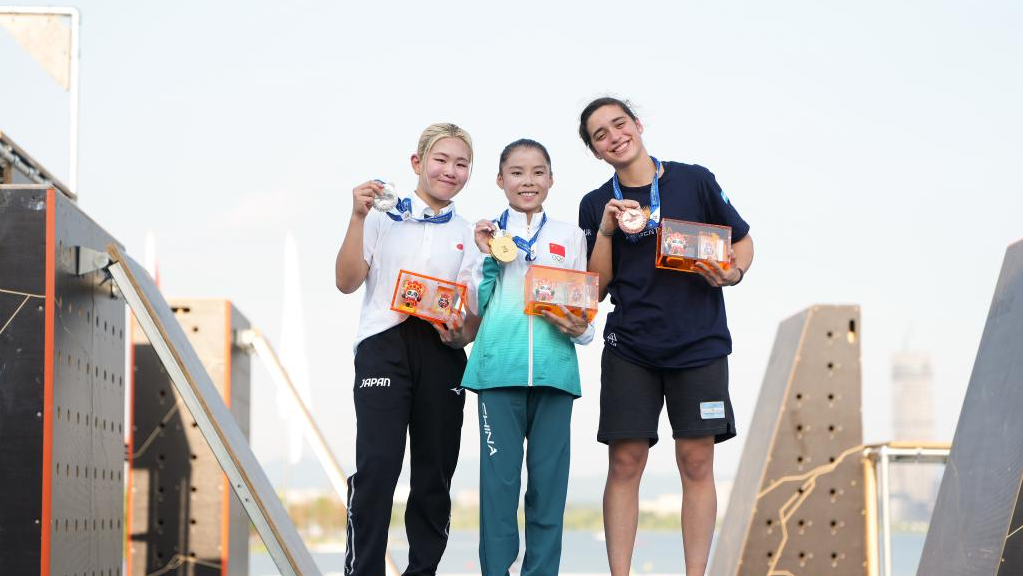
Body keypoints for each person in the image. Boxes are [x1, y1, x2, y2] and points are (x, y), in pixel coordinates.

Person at [577, 97, 754, 576]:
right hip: (630, 346)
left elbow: (741, 241)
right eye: (600, 135)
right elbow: (596, 287)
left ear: (637, 125)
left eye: (619, 124)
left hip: (699, 343)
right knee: (625, 463)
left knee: (696, 462)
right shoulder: (595, 204)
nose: (614, 136)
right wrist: (608, 231)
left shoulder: (694, 179)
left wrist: (732, 273)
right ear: (595, 152)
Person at [334, 122, 480, 576]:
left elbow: (468, 323)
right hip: (383, 345)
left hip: (441, 352)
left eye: (461, 164)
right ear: (417, 163)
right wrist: (357, 217)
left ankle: (423, 571)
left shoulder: (470, 233)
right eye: (441, 160)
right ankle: (364, 570)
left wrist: (457, 331)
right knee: (378, 466)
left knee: (435, 472)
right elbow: (346, 282)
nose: (450, 171)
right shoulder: (379, 216)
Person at [461, 139, 594, 576]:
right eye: (517, 172)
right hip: (498, 372)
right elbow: (475, 308)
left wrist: (585, 330)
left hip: (555, 374)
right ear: (500, 180)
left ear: (552, 180)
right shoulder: (481, 234)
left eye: (538, 172)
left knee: (549, 490)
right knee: (499, 491)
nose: (528, 181)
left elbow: (580, 307)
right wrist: (487, 258)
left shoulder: (571, 236)